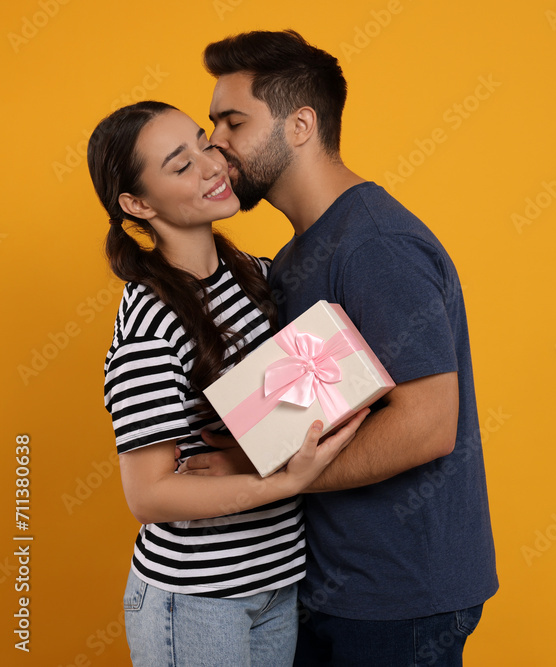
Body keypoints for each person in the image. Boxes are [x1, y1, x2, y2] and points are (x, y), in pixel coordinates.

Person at [180, 30, 499, 665]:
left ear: (300, 125)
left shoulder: (374, 244)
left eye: (232, 121)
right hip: (330, 586)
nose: (214, 141)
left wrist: (262, 475)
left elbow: (428, 425)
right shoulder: (297, 255)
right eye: (212, 121)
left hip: (399, 597)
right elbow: (315, 407)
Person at [90, 100, 368, 666]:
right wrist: (284, 483)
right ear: (137, 204)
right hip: (196, 602)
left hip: (276, 583)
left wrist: (260, 458)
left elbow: (303, 403)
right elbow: (149, 495)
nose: (212, 164)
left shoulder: (257, 275)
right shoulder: (151, 326)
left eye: (202, 142)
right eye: (179, 164)